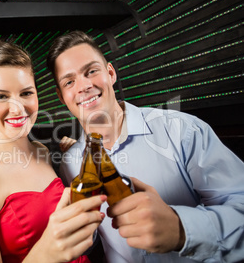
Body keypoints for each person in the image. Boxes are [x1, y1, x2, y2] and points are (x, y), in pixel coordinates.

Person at [46, 30, 244, 263]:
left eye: (91, 71)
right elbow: (95, 241)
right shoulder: (70, 164)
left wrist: (181, 229)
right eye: (69, 81)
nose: (84, 86)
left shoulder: (181, 131)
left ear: (110, 73)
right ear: (61, 96)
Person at [0, 39, 107, 263]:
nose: (18, 108)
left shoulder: (41, 151)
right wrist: (46, 252)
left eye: (26, 93)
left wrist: (79, 156)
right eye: (1, 96)